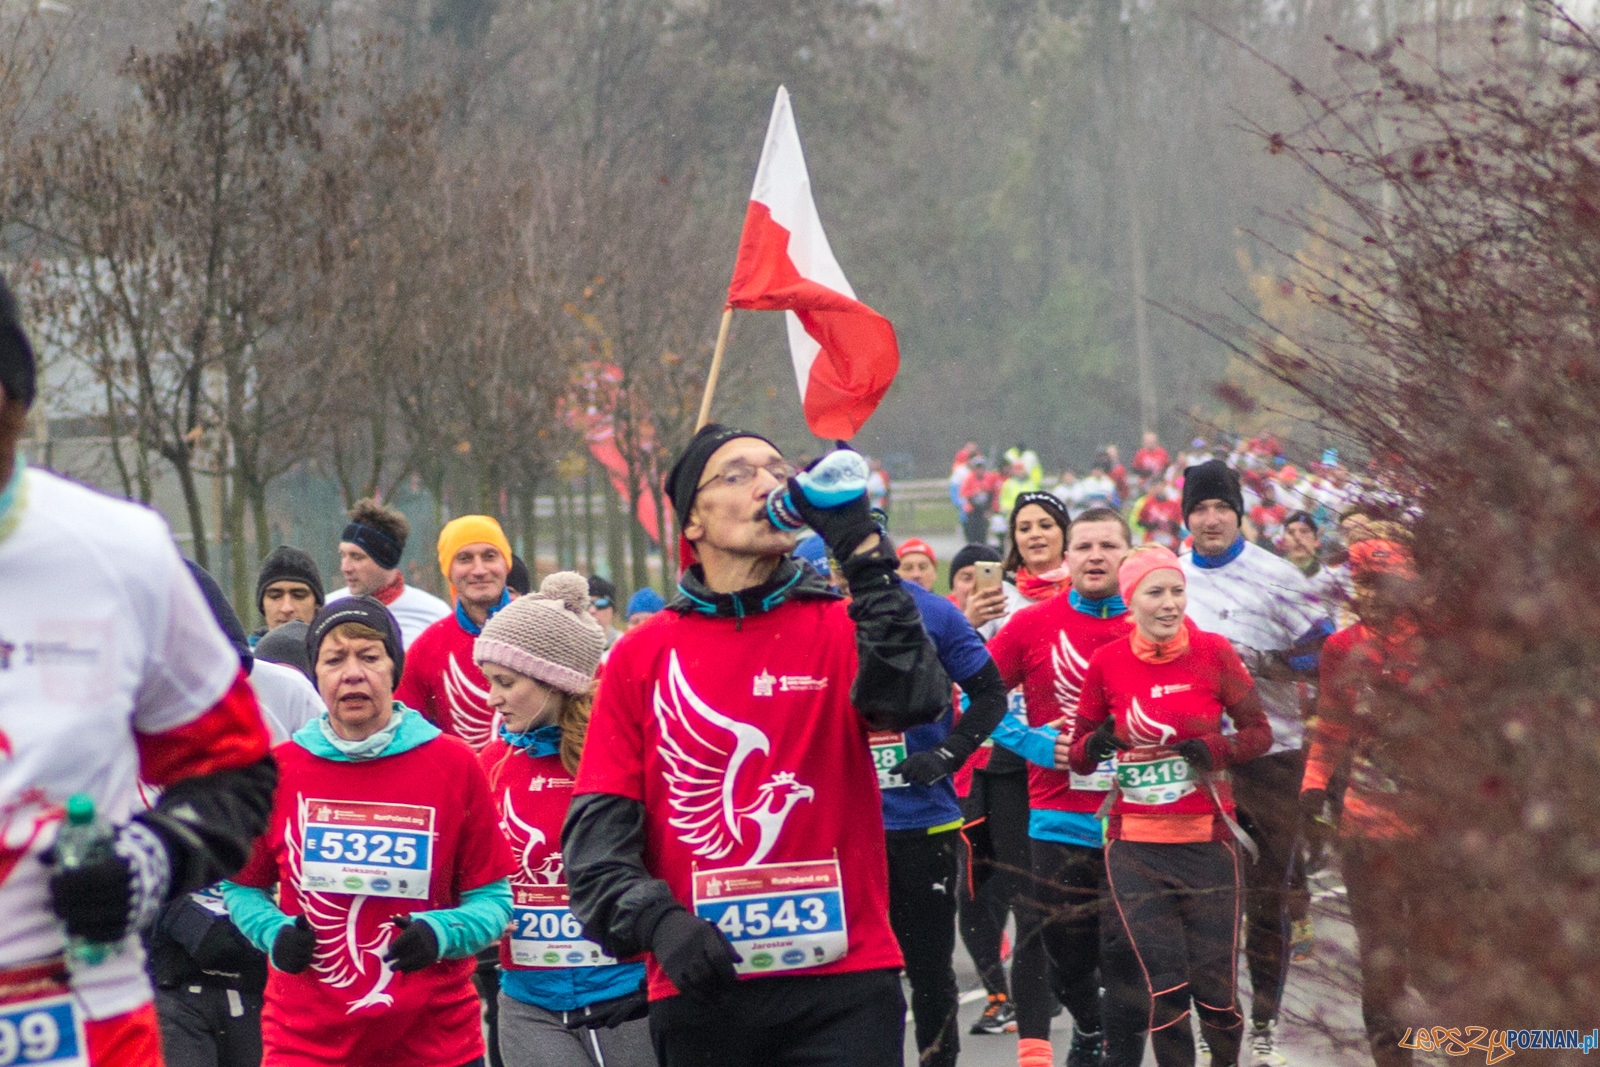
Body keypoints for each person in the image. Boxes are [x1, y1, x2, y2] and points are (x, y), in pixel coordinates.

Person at [562, 425, 952, 1067]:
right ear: (692, 520)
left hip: (846, 985)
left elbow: (915, 698)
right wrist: (660, 923)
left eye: (778, 469)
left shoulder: (841, 625)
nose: (770, 483)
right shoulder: (641, 656)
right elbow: (595, 850)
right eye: (738, 474)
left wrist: (864, 557)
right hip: (704, 990)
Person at [0, 272, 277, 1067]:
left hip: (79, 1030)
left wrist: (148, 861)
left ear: (14, 402)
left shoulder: (121, 553)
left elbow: (238, 771)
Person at [220, 597, 515, 1067]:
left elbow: (495, 901)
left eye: (369, 657)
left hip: (434, 1044)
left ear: (394, 670)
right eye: (335, 660)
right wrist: (275, 934)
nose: (352, 673)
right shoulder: (276, 772)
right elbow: (240, 891)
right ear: (315, 675)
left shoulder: (455, 765)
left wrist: (440, 932)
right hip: (306, 1044)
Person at [1069, 546, 1273, 1067]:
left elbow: (1260, 732)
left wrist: (1217, 749)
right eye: (1155, 593)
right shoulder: (1106, 662)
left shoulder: (1213, 652)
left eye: (1177, 591)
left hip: (1208, 846)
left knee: (1217, 995)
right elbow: (1078, 751)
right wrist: (1093, 747)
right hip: (1135, 850)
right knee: (1165, 989)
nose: (1169, 603)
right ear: (1129, 601)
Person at [1179, 460, 1333, 1066]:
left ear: (1238, 514)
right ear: (1185, 517)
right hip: (1199, 763)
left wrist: (1268, 665)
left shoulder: (1275, 575)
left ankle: (1264, 1021)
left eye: (1221, 508)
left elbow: (1325, 647)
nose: (1210, 519)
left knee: (1266, 899)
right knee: (1207, 899)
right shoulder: (1171, 576)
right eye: (1199, 509)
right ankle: (1215, 1021)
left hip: (1272, 756)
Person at [475, 572, 653, 1067]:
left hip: (627, 994)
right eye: (491, 682)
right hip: (530, 1003)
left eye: (506, 682)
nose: (492, 698)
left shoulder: (623, 758)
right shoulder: (489, 766)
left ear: (554, 680)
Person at [983, 507, 1137, 1067]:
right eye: (1085, 546)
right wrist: (1032, 745)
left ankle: (1116, 1048)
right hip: (1056, 813)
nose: (1096, 555)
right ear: (1067, 558)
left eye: (1109, 546)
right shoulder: (1030, 625)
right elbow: (978, 699)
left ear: (1128, 555)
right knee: (1067, 959)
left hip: (1136, 818)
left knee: (1127, 956)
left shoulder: (1151, 623)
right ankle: (1090, 1026)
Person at [874, 533, 1009, 1067]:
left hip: (920, 821)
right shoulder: (819, 618)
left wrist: (949, 755)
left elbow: (991, 693)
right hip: (844, 829)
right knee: (861, 976)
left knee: (929, 969)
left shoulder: (935, 615)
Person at [1301, 538, 1427, 1067]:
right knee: (1381, 957)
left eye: (1381, 582)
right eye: (1361, 583)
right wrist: (1312, 783)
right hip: (1365, 823)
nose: (1370, 594)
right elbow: (1331, 725)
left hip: (1436, 827)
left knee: (1433, 955)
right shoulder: (1341, 647)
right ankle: (1392, 1058)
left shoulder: (1438, 644)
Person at [394, 515, 514, 751]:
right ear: (448, 570)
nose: (479, 570)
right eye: (464, 559)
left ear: (506, 564)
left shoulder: (546, 631)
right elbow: (402, 734)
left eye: (489, 556)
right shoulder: (426, 648)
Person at [330, 499, 450, 648]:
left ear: (385, 560)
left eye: (357, 557)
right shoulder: (328, 608)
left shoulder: (434, 613)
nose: (345, 567)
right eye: (343, 555)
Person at [255, 546, 325, 639]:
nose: (286, 608)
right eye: (275, 596)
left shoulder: (343, 652)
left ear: (317, 604)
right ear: (262, 605)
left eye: (299, 596)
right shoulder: (237, 653)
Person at [960, 455, 1002, 546]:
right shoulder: (969, 478)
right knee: (972, 535)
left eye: (981, 467)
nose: (979, 470)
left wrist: (991, 509)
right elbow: (964, 493)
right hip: (973, 511)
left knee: (983, 536)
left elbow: (994, 494)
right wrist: (974, 492)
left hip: (985, 511)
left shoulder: (990, 478)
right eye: (977, 468)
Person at [587, 576, 623, 651]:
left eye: (601, 603)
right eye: (586, 604)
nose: (592, 610)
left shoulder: (624, 644)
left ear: (613, 610)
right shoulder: (570, 647)